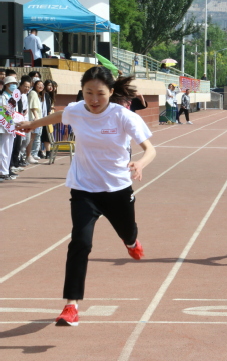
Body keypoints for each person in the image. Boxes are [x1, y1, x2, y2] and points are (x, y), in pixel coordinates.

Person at [16, 66, 156, 326]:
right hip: (84, 189)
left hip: (117, 189)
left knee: (128, 232)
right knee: (79, 243)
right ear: (82, 91)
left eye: (100, 94)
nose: (94, 99)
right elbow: (58, 116)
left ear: (111, 92)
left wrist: (140, 163)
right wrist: (31, 124)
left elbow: (150, 149)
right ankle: (71, 305)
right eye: (88, 92)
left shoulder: (123, 116)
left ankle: (131, 241)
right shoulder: (77, 110)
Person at [1, 76, 19, 180]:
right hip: (4, 126)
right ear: (7, 85)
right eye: (13, 84)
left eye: (15, 84)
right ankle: (2, 171)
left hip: (11, 126)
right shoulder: (3, 97)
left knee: (9, 149)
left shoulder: (13, 97)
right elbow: (3, 111)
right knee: (4, 149)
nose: (14, 86)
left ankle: (6, 171)